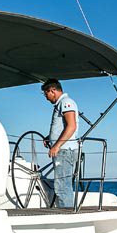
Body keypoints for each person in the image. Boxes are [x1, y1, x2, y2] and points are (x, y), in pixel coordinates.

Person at [41, 79, 78, 208]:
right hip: (63, 149)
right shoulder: (61, 103)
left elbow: (71, 126)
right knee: (63, 184)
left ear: (52, 91)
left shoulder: (66, 102)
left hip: (64, 150)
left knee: (62, 186)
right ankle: (67, 211)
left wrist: (56, 146)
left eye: (46, 94)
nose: (46, 98)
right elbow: (63, 126)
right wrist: (50, 138)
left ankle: (67, 214)